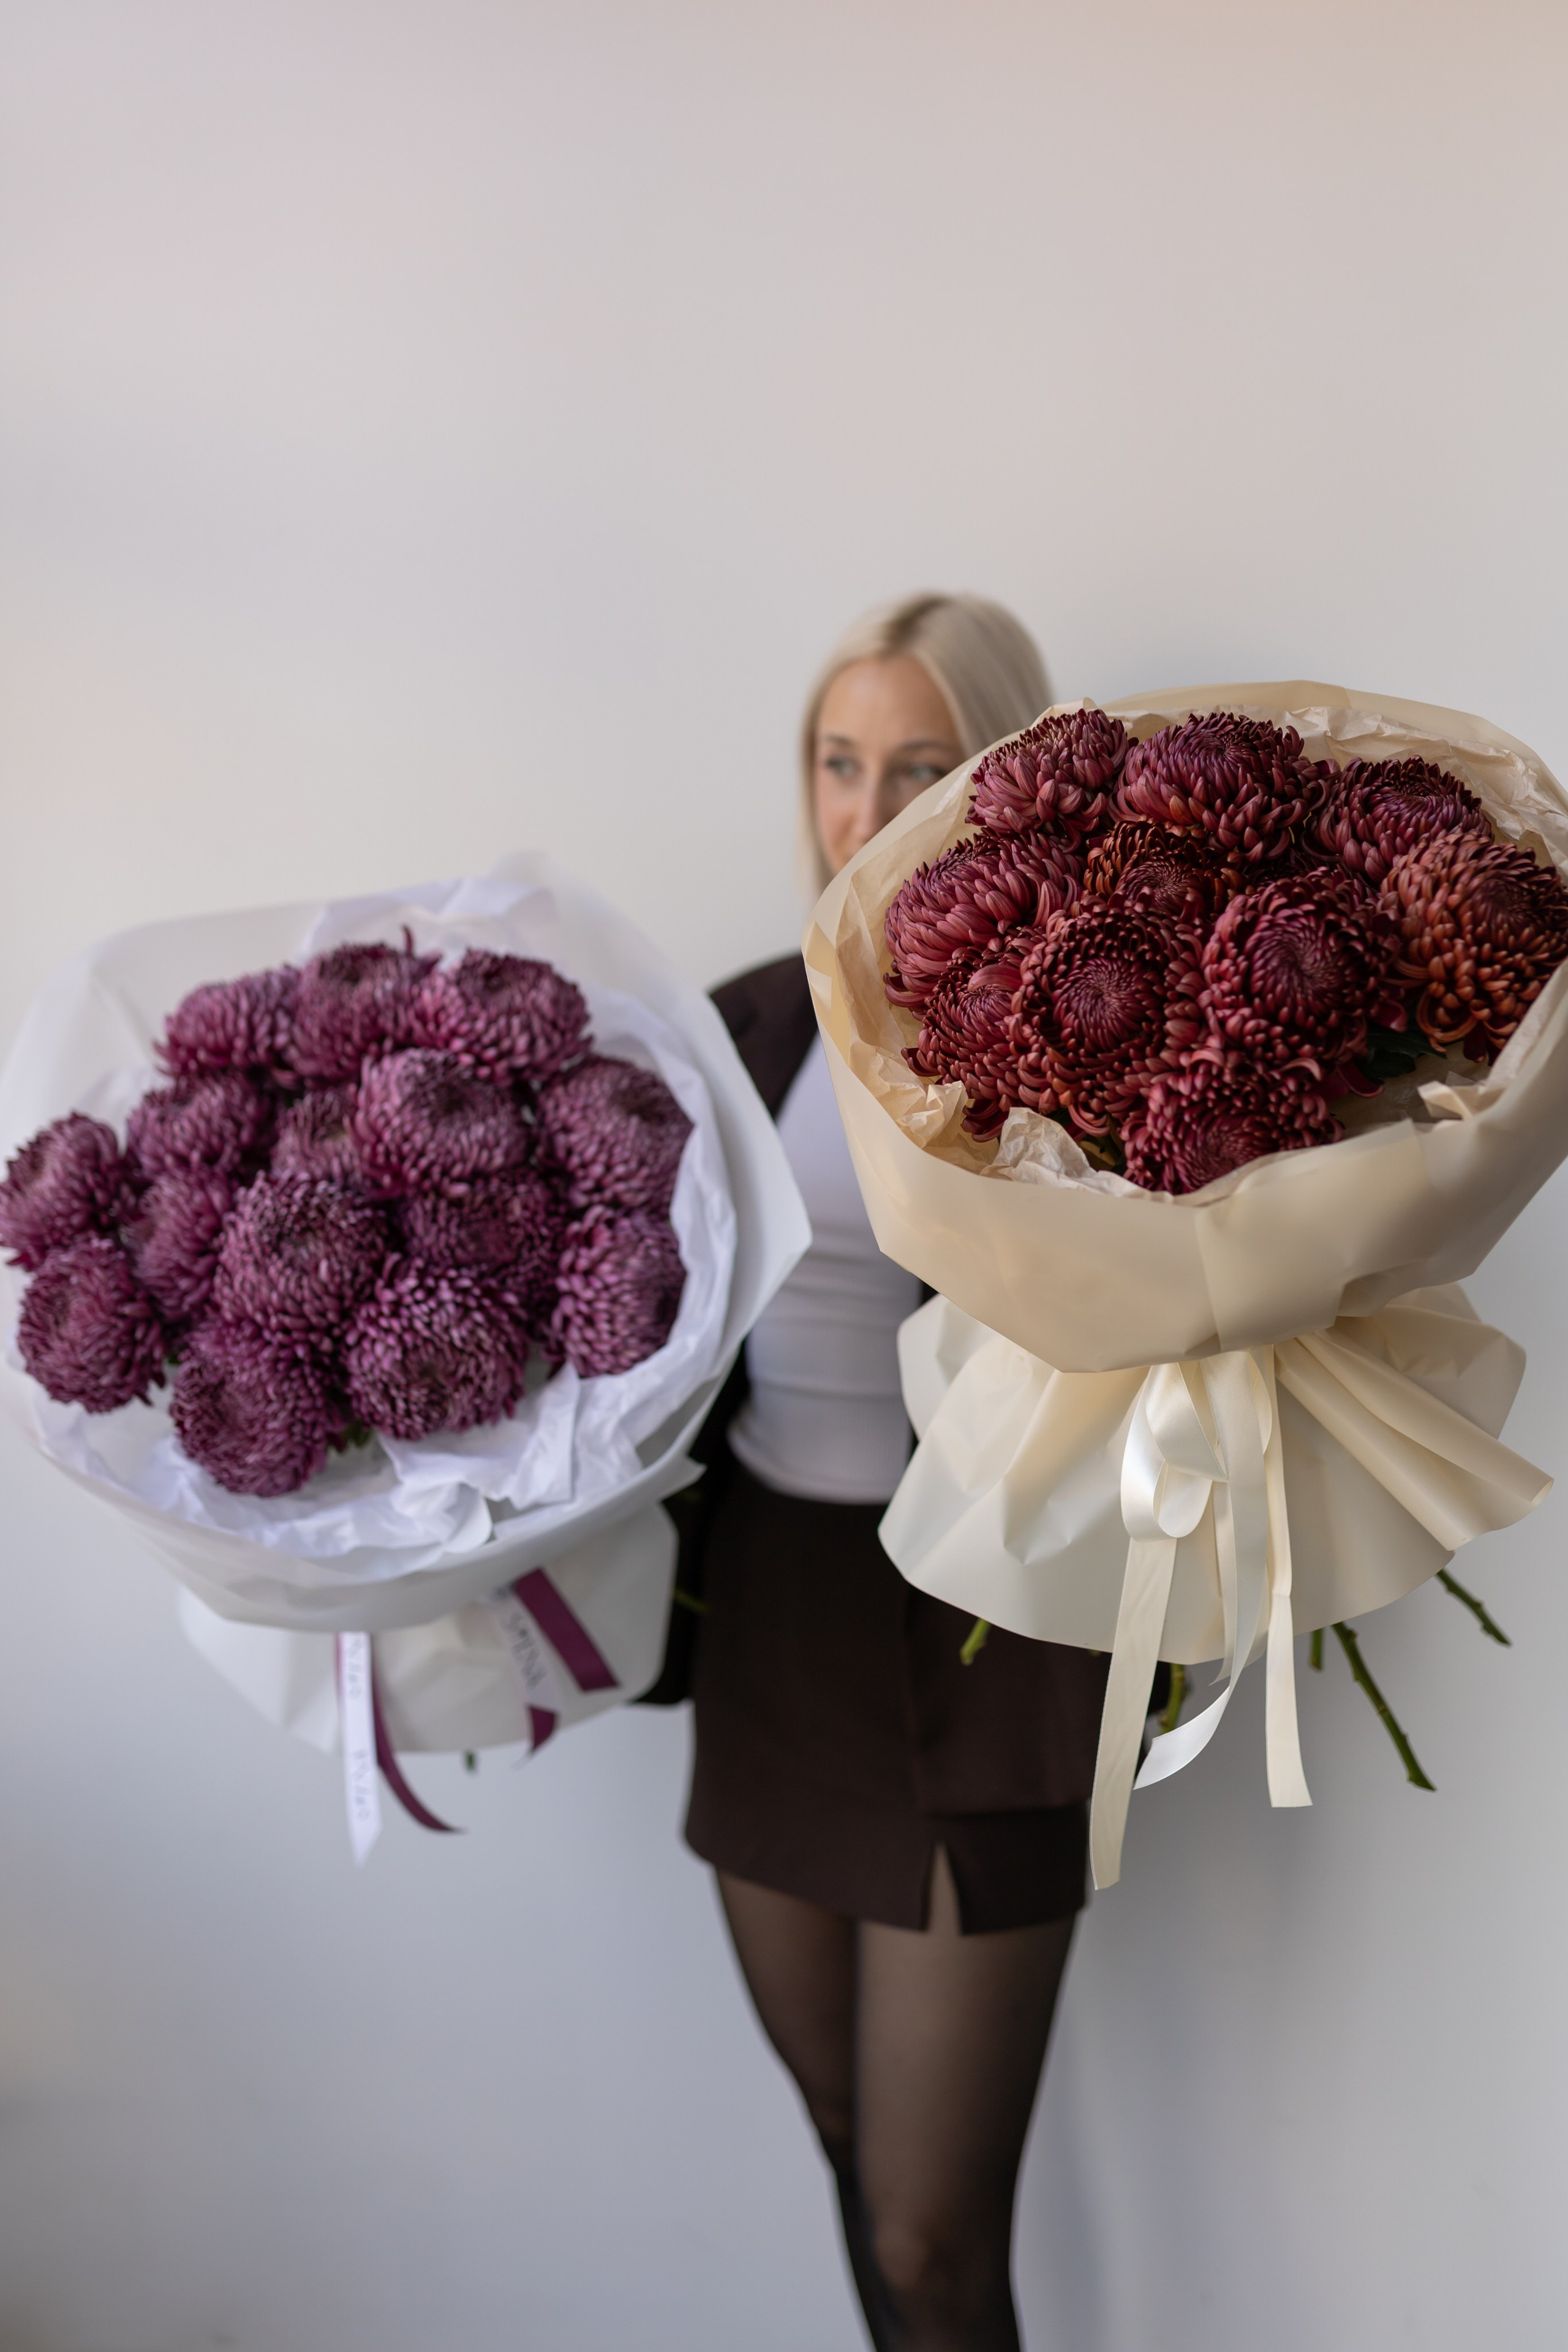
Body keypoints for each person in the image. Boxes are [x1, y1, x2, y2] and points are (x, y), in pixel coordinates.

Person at [678, 594, 1111, 2351]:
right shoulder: (740, 1024)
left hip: (983, 1632)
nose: (865, 811)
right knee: (849, 2144)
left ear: (1002, 776)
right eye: (839, 764)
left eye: (922, 765)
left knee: (936, 2235)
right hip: (775, 1621)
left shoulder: (1090, 1035)